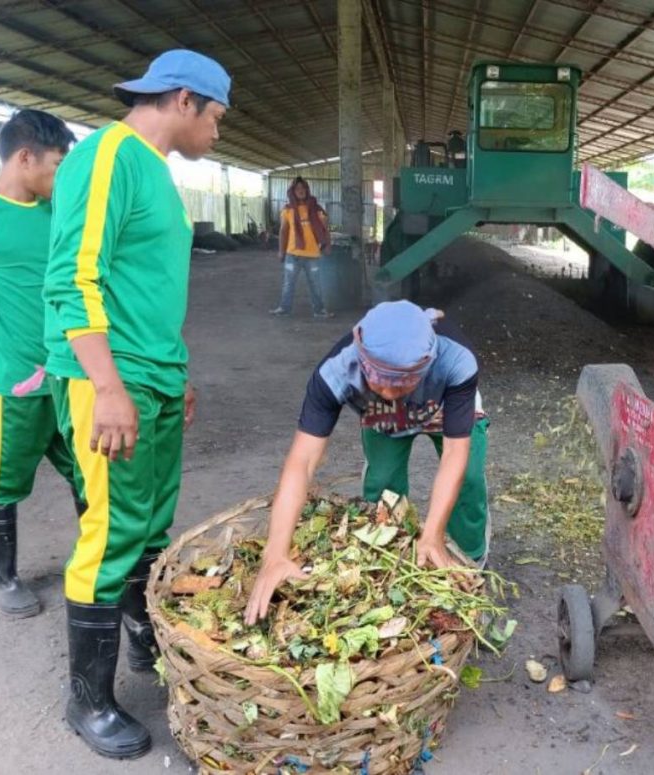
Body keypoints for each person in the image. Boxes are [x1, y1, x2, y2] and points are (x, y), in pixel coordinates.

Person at [43, 49, 230, 760]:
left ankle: (149, 642)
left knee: (150, 521)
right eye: (214, 117)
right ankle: (86, 700)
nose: (216, 132)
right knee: (112, 528)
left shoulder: (152, 171)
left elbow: (142, 288)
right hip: (106, 378)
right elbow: (73, 279)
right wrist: (112, 386)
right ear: (183, 100)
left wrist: (169, 370)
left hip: (149, 376)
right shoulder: (106, 156)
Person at [245, 300, 491, 625]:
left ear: (428, 363)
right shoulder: (335, 371)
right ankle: (390, 569)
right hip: (383, 418)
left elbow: (453, 454)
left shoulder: (456, 360)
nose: (389, 391)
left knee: (469, 482)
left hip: (444, 402)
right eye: (378, 379)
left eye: (401, 381)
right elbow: (301, 462)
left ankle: (470, 569)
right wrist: (275, 553)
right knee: (384, 486)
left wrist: (432, 533)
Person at [0, 110, 80, 619]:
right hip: (13, 380)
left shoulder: (57, 213)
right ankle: (4, 576)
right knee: (5, 478)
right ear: (24, 158)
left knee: (88, 471)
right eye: (57, 165)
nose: (61, 176)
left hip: (70, 375)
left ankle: (99, 565)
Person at [270, 176, 334, 318]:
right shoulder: (287, 210)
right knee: (288, 284)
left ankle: (319, 311)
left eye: (303, 188)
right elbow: (283, 231)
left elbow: (325, 229)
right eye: (297, 188)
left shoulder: (316, 209)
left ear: (307, 190)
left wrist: (327, 245)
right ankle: (284, 309)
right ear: (292, 191)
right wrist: (281, 251)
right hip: (292, 254)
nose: (301, 191)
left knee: (315, 285)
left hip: (312, 255)